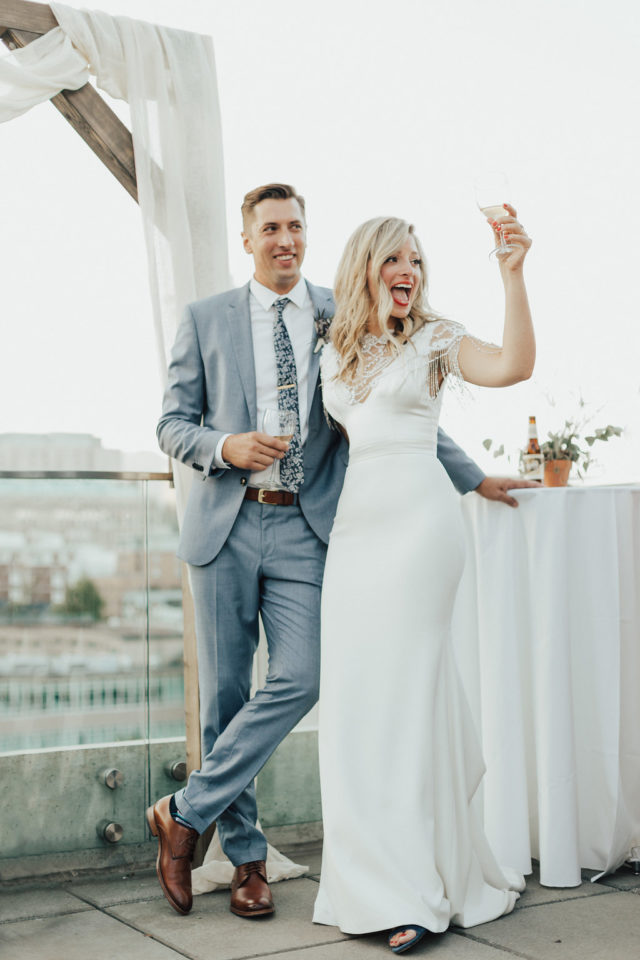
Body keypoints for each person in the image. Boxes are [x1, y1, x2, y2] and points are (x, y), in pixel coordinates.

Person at [146, 183, 536, 919]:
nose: (285, 239)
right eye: (270, 228)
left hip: (311, 527)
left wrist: (473, 477)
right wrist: (225, 446)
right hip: (227, 522)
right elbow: (171, 425)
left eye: (295, 226)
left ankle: (184, 811)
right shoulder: (204, 319)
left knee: (303, 675)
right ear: (247, 239)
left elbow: (405, 401)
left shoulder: (342, 311)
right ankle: (247, 859)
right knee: (227, 697)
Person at [313, 208, 533, 953]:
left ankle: (413, 893)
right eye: (394, 259)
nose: (408, 270)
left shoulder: (435, 340)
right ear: (365, 267)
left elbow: (513, 366)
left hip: (419, 529)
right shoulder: (336, 346)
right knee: (357, 703)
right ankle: (364, 883)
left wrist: (512, 275)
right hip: (355, 532)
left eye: (415, 260)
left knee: (405, 701)